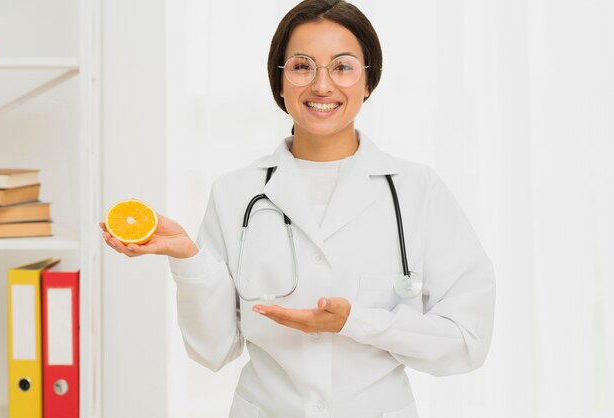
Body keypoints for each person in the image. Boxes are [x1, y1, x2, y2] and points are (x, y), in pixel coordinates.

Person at [100, 1, 496, 417]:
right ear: (281, 82)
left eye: (342, 67)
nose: (322, 85)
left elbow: (466, 341)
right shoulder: (236, 192)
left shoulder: (418, 191)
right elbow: (212, 350)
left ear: (368, 81)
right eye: (303, 66)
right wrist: (188, 261)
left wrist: (355, 322)